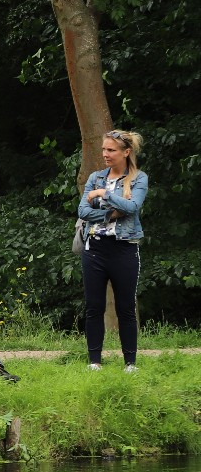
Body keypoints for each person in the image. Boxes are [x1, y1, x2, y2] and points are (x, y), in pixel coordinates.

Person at [79, 128, 148, 372]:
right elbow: (83, 211)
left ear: (126, 152)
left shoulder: (139, 178)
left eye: (111, 150)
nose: (105, 154)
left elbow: (133, 207)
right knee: (94, 307)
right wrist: (111, 213)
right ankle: (94, 362)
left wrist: (103, 194)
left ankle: (130, 363)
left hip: (124, 249)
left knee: (126, 308)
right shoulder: (95, 177)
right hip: (94, 249)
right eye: (103, 149)